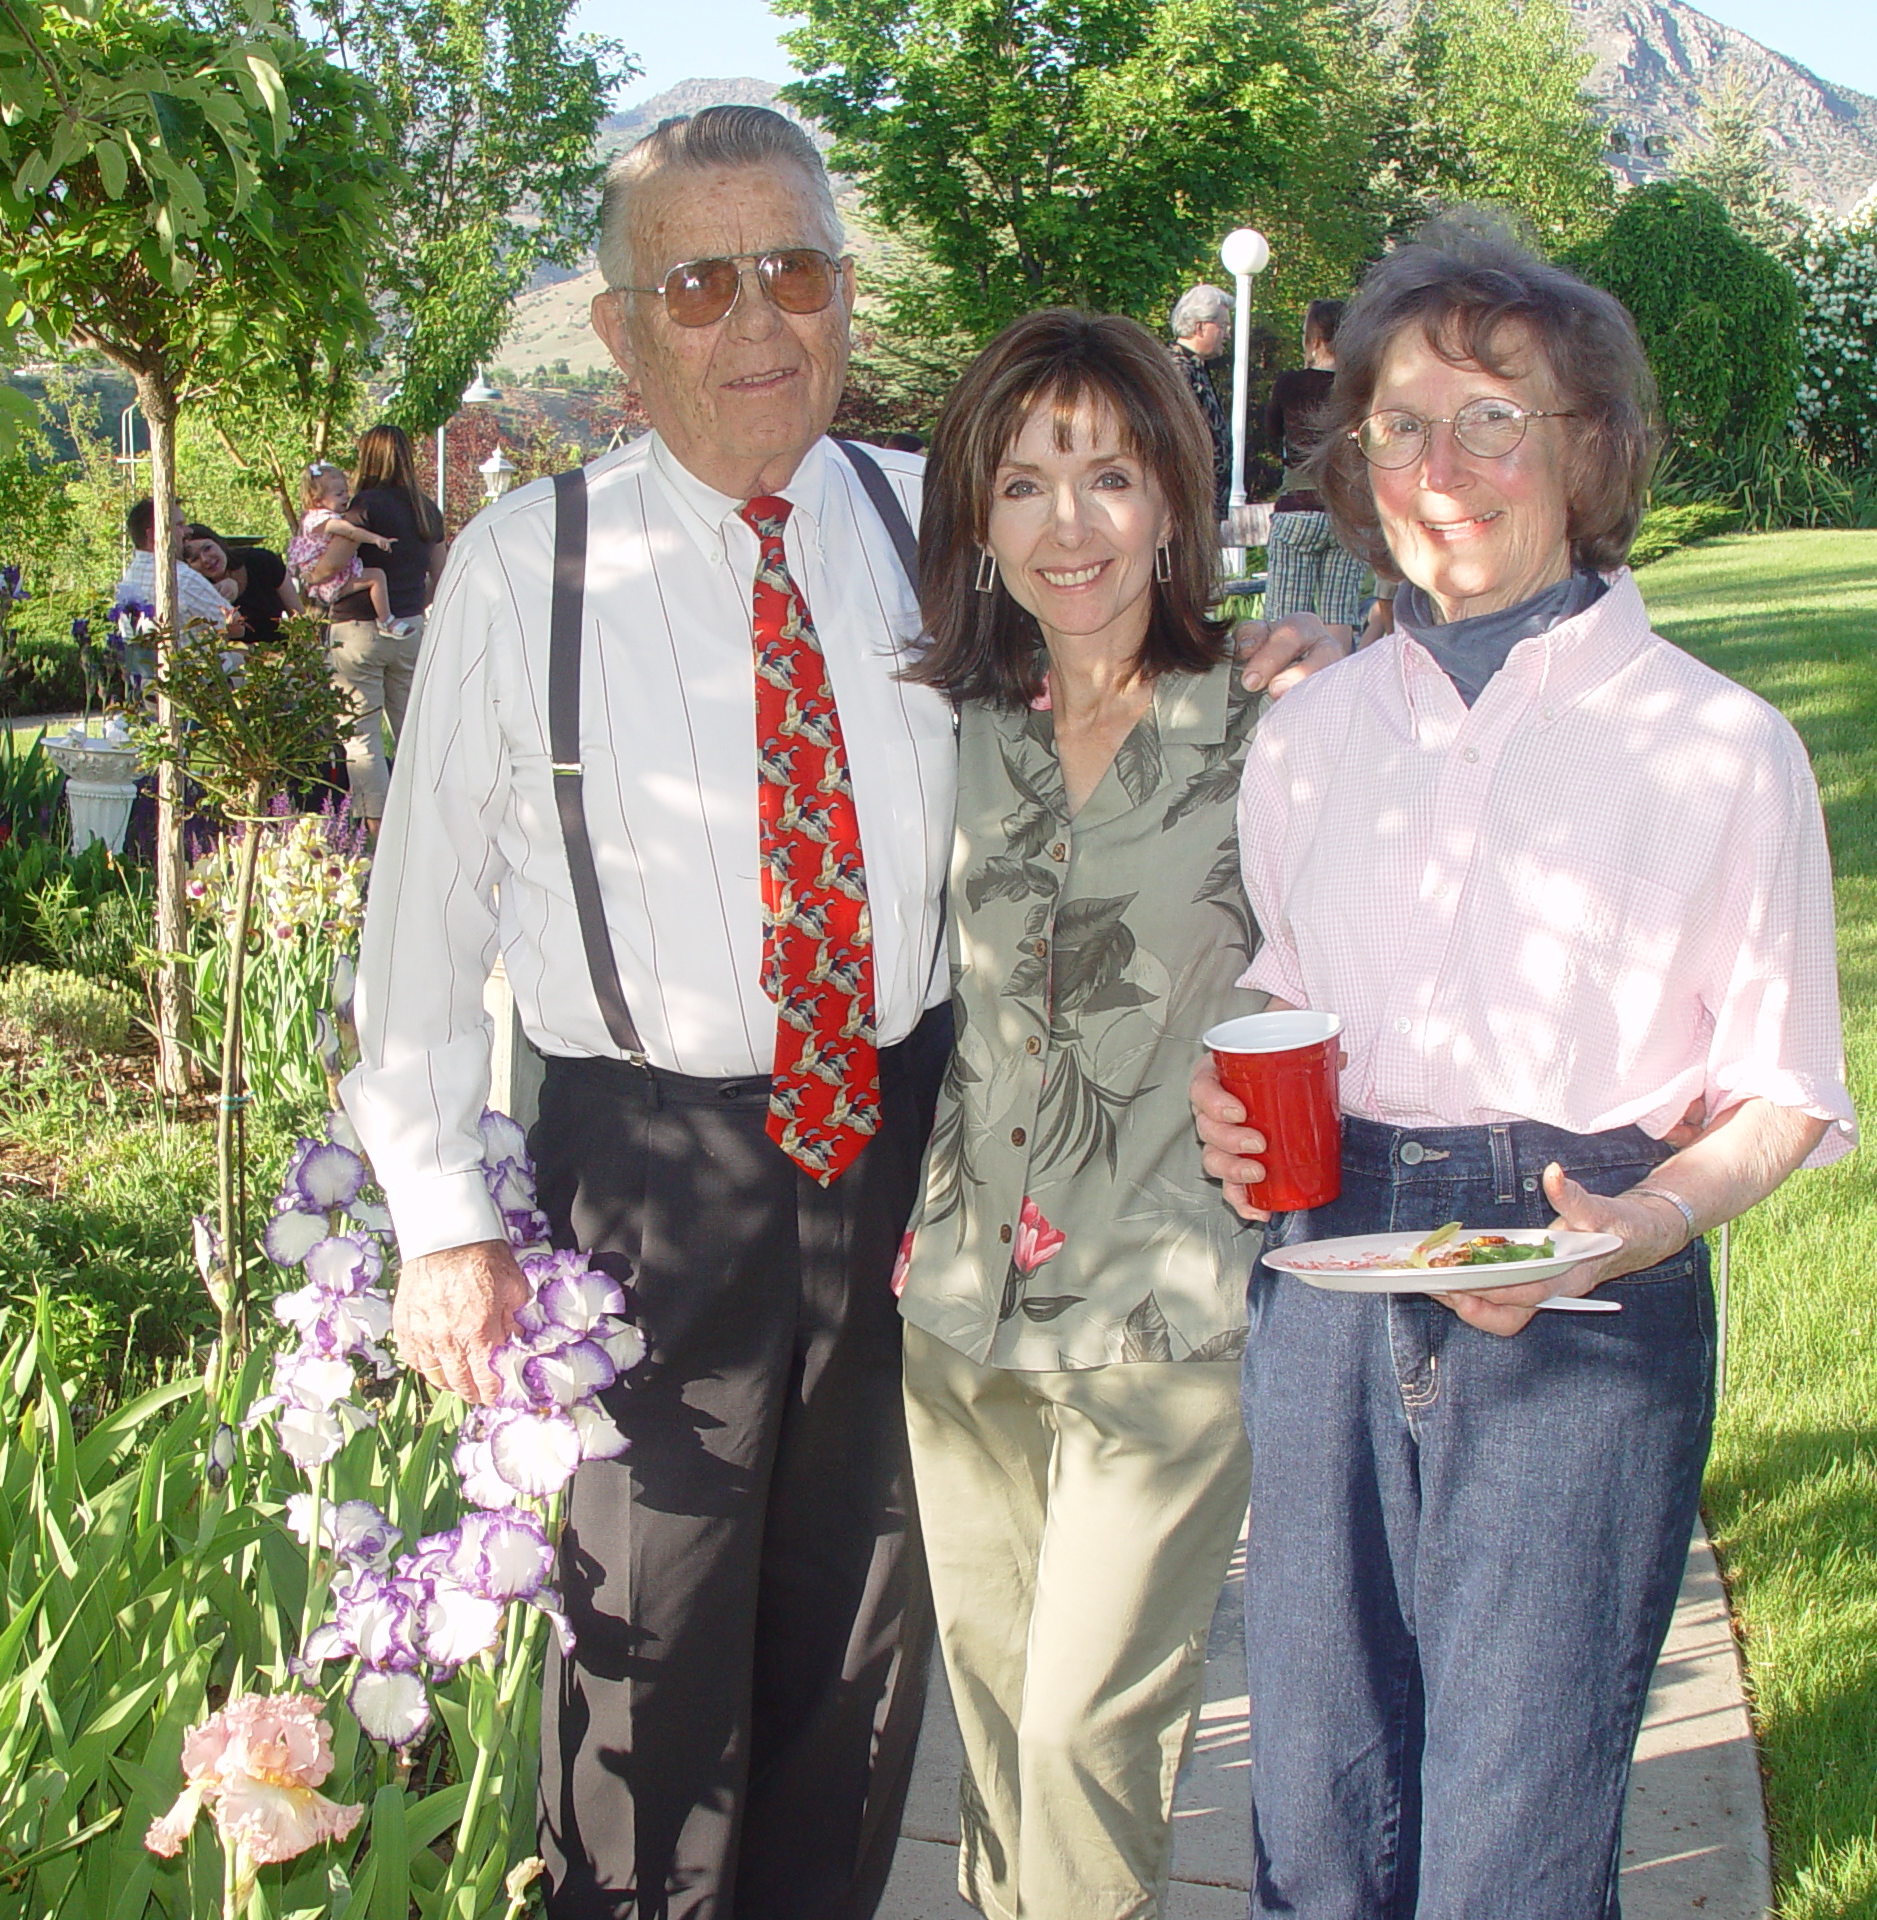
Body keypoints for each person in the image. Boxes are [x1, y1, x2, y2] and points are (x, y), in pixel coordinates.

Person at [343, 105, 1329, 1920]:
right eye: (699, 283)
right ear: (625, 331)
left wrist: (1275, 666)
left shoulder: (922, 523)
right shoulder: (527, 565)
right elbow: (420, 924)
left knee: (859, 1654)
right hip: (645, 1179)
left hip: (904, 1145)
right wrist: (440, 1223)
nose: (755, 323)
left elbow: (1110, 682)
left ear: (845, 300)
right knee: (648, 1649)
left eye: (792, 271)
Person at [1191, 216, 1858, 1920]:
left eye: (1494, 420)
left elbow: (1781, 1089)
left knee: (1515, 1836)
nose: (1439, 468)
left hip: (1583, 1277)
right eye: (1398, 425)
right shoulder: (1315, 733)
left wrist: (1634, 1224)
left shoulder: (1719, 749)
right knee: (1321, 1820)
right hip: (1330, 1263)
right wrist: (1237, 1122)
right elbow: (1286, 986)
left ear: (1591, 453)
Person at [897, 309, 1295, 1919]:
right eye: (1026, 485)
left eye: (1111, 479)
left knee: (1081, 1739)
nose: (1072, 528)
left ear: (1174, 506)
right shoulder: (956, 734)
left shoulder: (1276, 729)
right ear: (980, 526)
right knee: (997, 1742)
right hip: (961, 1313)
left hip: (1166, 1313)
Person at [303, 425, 449, 821]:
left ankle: (377, 831)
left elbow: (333, 562)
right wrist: (410, 609)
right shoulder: (425, 508)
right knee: (412, 734)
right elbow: (442, 575)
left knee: (362, 737)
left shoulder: (362, 507)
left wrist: (308, 576)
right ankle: (426, 823)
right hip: (408, 629)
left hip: (356, 630)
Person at [1262, 299, 1372, 644]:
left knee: (1285, 613)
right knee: (1339, 614)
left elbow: (1270, 431)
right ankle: (1338, 689)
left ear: (1314, 339)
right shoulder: (1360, 389)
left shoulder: (1290, 384)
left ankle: (1284, 691)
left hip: (1298, 506)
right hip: (1347, 510)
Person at [114, 496, 240, 636]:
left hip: (141, 658)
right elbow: (235, 627)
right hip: (194, 658)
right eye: (179, 525)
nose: (188, 531)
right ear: (153, 535)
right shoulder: (181, 578)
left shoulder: (130, 577)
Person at [288, 463, 394, 624]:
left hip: (324, 580)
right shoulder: (324, 520)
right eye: (339, 494)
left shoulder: (309, 518)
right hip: (329, 581)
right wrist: (376, 539)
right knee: (377, 576)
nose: (346, 497)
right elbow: (351, 532)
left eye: (346, 492)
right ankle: (387, 621)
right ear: (318, 500)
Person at [1167, 284, 1233, 514]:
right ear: (1200, 327)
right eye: (1223, 326)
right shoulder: (1177, 370)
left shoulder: (1196, 367)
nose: (1227, 334)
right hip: (1187, 506)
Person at [182, 525, 299, 647]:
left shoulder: (262, 561)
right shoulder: (195, 589)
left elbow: (297, 615)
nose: (205, 559)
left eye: (207, 548)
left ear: (219, 543)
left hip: (281, 651)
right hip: (233, 659)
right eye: (195, 558)